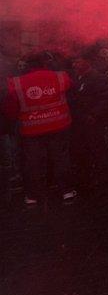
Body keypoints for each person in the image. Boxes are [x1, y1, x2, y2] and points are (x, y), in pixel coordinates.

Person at [2, 53, 75, 206]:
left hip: (31, 130)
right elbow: (70, 88)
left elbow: (11, 108)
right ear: (46, 63)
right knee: (60, 159)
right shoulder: (60, 77)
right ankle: (66, 191)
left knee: (33, 163)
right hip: (58, 125)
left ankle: (33, 196)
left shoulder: (16, 82)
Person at [68, 49, 108, 193]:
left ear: (87, 62)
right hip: (78, 122)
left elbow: (105, 99)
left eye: (78, 61)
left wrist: (94, 115)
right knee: (82, 151)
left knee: (97, 149)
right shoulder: (75, 78)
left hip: (93, 122)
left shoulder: (98, 78)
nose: (75, 64)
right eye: (74, 62)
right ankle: (86, 178)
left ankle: (103, 179)